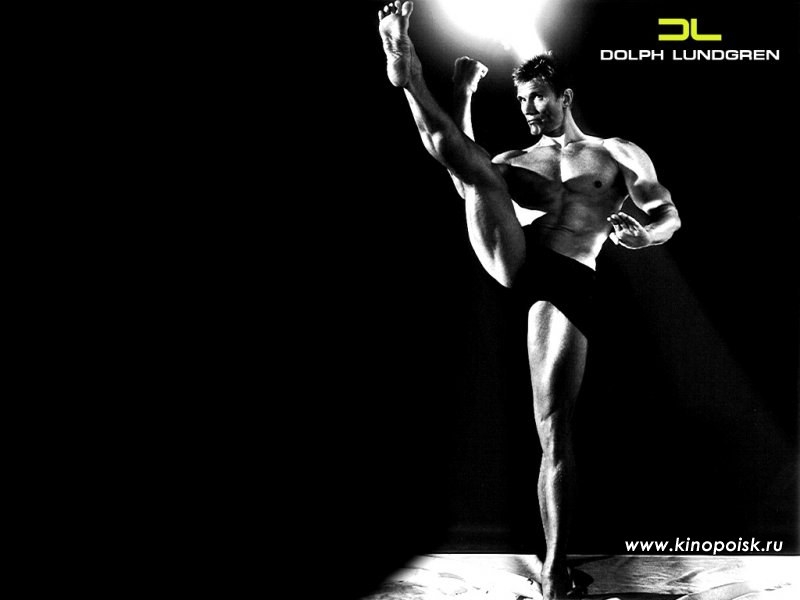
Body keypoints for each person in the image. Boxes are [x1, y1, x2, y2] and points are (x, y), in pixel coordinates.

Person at [377, 2, 681, 599]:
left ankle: (555, 567)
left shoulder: (615, 151)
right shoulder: (517, 160)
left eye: (537, 97)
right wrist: (464, 95)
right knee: (475, 171)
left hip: (566, 280)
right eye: (520, 101)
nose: (528, 109)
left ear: (564, 96)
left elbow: (667, 211)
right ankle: (406, 70)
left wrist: (648, 235)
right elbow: (458, 168)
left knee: (553, 428)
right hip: (518, 258)